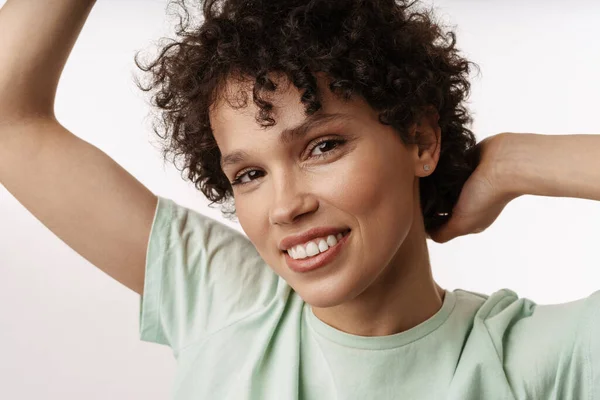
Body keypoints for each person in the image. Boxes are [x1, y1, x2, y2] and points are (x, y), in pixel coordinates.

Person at [0, 0, 598, 399]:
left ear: (420, 137)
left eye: (322, 147)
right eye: (250, 175)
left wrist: (516, 162)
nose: (285, 207)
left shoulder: (530, 361)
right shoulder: (224, 300)